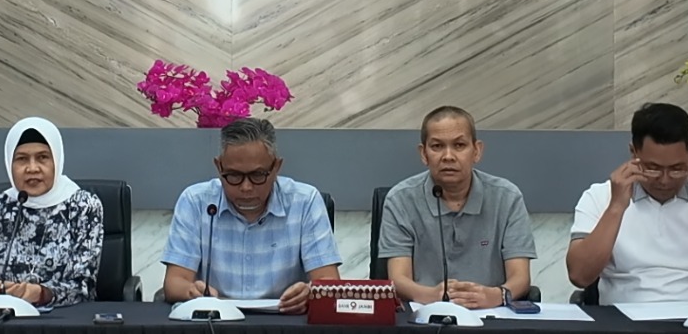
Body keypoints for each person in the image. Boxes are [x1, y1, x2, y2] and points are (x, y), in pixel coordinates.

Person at [566, 103, 688, 304]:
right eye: (653, 168)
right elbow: (579, 276)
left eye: (677, 168)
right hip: (621, 316)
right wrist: (616, 207)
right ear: (633, 152)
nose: (665, 180)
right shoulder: (599, 197)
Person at [162, 117, 341, 314]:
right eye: (234, 176)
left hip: (285, 320)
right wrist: (191, 291)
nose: (246, 187)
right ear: (219, 167)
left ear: (276, 167)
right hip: (215, 320)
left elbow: (328, 282)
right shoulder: (196, 201)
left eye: (257, 175)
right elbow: (174, 282)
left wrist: (309, 292)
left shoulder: (305, 202)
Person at [379, 106, 535, 307]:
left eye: (459, 145)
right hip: (425, 312)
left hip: (490, 313)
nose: (448, 156)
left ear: (476, 151)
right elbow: (398, 279)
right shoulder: (400, 200)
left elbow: (520, 278)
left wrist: (495, 296)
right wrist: (432, 295)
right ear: (423, 154)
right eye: (437, 146)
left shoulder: (507, 198)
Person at [0, 117, 103, 307]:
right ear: (9, 163)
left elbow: (83, 286)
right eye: (22, 159)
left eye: (42, 157)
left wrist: (43, 294)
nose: (32, 168)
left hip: (64, 317)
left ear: (57, 160)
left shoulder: (83, 207)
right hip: (3, 315)